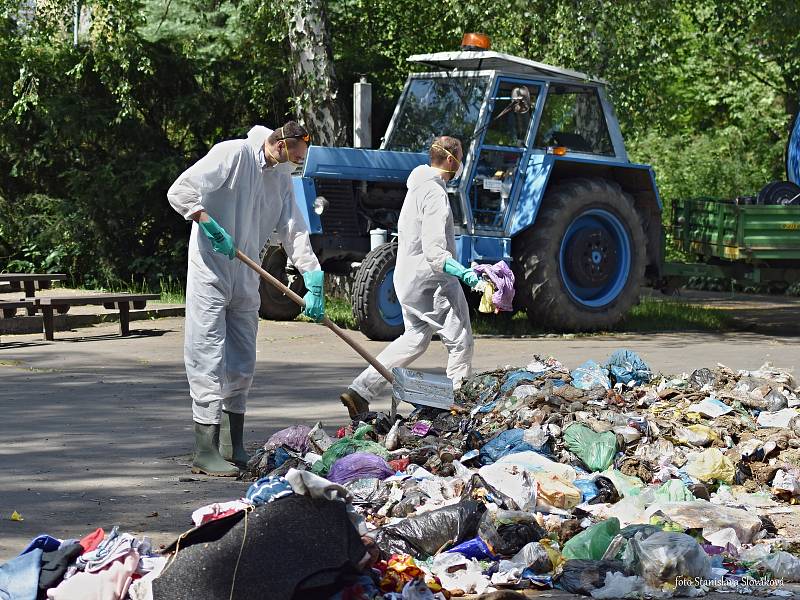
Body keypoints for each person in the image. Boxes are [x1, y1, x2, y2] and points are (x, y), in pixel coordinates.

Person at [168, 122, 325, 477]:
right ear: (281, 144)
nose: (296, 165)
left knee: (243, 357)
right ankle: (204, 447)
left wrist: (312, 274)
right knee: (206, 351)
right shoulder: (233, 154)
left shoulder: (281, 176)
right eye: (295, 157)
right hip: (211, 267)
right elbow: (180, 190)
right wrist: (207, 223)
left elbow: (293, 228)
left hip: (247, 271)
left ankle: (231, 442)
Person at [339, 136, 481, 418]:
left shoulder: (417, 187)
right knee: (461, 340)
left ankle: (360, 390)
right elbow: (434, 252)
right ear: (451, 161)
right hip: (431, 281)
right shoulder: (436, 194)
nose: (462, 165)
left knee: (415, 339)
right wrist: (465, 274)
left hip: (405, 278)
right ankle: (456, 403)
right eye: (461, 159)